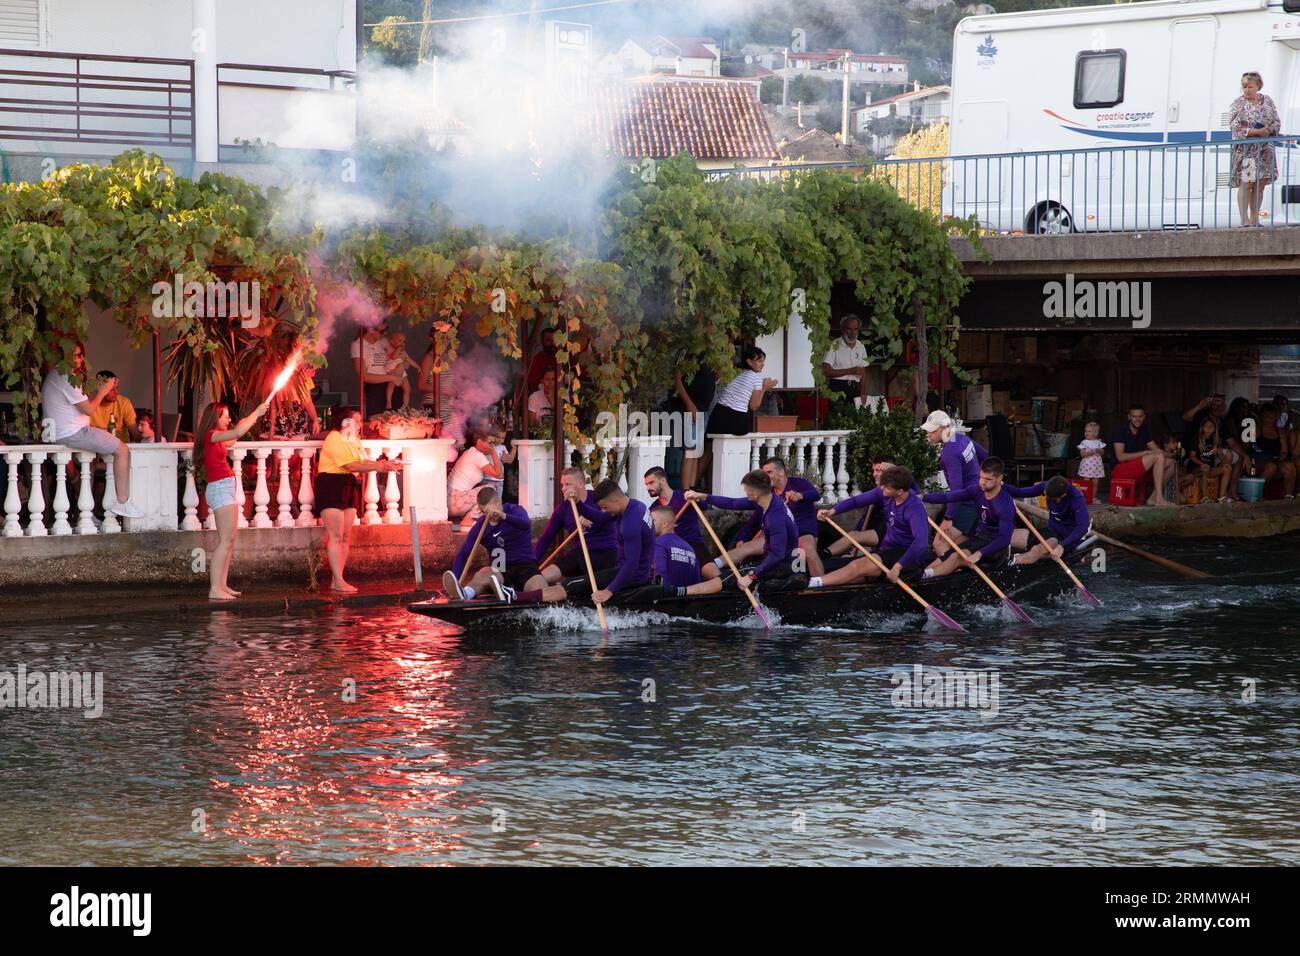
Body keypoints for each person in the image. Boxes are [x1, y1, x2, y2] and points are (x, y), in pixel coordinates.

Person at [506, 480, 656, 607]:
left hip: (632, 575)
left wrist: (608, 591)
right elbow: (599, 517)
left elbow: (632, 564)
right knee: (577, 582)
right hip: (630, 570)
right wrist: (578, 504)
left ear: (615, 501)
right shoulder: (635, 505)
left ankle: (515, 598)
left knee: (569, 584)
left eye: (605, 507)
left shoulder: (630, 523)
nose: (604, 511)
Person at [40, 345, 142, 519]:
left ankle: (87, 516)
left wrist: (98, 390)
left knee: (91, 466)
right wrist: (103, 390)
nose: (80, 359)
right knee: (122, 450)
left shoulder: (57, 376)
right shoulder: (66, 377)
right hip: (73, 433)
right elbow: (88, 410)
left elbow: (81, 405)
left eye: (81, 355)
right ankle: (123, 502)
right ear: (65, 357)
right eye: (77, 355)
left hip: (63, 433)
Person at [314, 406, 402, 593]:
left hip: (349, 483)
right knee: (336, 535)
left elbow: (361, 462)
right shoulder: (334, 438)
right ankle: (337, 580)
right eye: (357, 420)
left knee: (345, 536)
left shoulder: (353, 440)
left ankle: (338, 579)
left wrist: (384, 464)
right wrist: (379, 467)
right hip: (331, 483)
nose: (360, 424)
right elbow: (351, 464)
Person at [193, 398, 270, 600]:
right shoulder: (211, 435)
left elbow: (234, 436)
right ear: (215, 418)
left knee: (229, 540)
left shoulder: (218, 437)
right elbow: (236, 433)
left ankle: (222, 585)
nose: (228, 420)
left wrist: (247, 420)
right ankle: (215, 589)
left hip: (224, 488)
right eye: (225, 417)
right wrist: (256, 412)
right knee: (225, 541)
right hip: (219, 489)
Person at [685, 469, 803, 592]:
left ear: (755, 493)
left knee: (726, 578)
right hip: (778, 560)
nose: (745, 493)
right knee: (734, 571)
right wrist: (703, 496)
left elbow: (777, 554)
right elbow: (732, 503)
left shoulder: (775, 517)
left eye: (746, 490)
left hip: (783, 565)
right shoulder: (768, 499)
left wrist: (751, 576)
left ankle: (684, 592)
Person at [810, 465, 929, 587]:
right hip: (887, 549)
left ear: (899, 491)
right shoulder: (885, 493)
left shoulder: (914, 508)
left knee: (857, 566)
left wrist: (898, 566)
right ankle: (817, 585)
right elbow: (855, 501)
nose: (881, 489)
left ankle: (811, 584)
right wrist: (832, 512)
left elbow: (921, 542)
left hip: (906, 556)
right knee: (853, 577)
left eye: (886, 488)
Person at [922, 456, 1017, 578]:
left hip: (996, 548)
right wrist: (923, 497)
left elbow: (1004, 540)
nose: (982, 482)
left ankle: (926, 576)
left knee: (957, 556)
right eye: (981, 477)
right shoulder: (977, 490)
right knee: (944, 558)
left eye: (988, 479)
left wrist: (979, 554)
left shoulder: (1005, 505)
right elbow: (949, 497)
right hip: (978, 539)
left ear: (999, 479)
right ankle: (923, 576)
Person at [525, 466, 618, 590]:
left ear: (580, 484)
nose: (563, 489)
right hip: (580, 555)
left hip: (605, 554)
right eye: (562, 485)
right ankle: (528, 586)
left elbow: (608, 518)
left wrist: (594, 520)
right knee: (551, 571)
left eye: (567, 484)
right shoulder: (562, 509)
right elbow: (545, 539)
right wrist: (531, 565)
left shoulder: (599, 500)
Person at [442, 487, 538, 601]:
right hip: (500, 570)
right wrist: (456, 581)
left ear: (500, 501)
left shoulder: (515, 510)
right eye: (485, 512)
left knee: (539, 587)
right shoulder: (480, 526)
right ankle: (465, 593)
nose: (490, 515)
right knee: (483, 573)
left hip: (525, 566)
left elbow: (525, 524)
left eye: (493, 509)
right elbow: (462, 555)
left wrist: (503, 516)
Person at [920, 409, 989, 550]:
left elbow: (956, 488)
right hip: (978, 496)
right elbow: (986, 456)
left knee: (939, 544)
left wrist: (948, 518)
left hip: (967, 500)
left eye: (932, 431)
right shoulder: (962, 438)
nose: (928, 434)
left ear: (944, 428)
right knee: (960, 545)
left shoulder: (949, 452)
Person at [1229, 71, 1280, 227]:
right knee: (1247, 183)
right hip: (1247, 152)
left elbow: (1276, 121)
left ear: (1258, 86)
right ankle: (1244, 220)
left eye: (1250, 86)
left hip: (1265, 150)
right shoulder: (1238, 104)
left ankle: (1254, 218)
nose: (1247, 90)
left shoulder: (1268, 101)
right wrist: (1255, 132)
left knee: (1260, 184)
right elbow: (1234, 128)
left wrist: (1269, 130)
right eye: (1244, 87)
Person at [1005, 475, 1091, 566]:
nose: (1046, 499)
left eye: (1050, 498)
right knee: (1008, 535)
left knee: (1036, 550)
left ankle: (1012, 561)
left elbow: (1083, 527)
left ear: (1063, 495)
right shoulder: (1047, 486)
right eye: (1045, 495)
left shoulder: (1076, 499)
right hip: (1049, 531)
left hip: (1064, 538)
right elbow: (1018, 492)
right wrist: (1000, 485)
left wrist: (1062, 546)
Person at [643, 465, 717, 571]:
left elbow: (705, 506)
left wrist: (697, 498)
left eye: (651, 483)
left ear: (663, 480)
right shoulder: (654, 509)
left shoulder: (685, 496)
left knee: (713, 574)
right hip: (671, 549)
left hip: (693, 544)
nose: (648, 488)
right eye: (646, 484)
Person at [759, 457, 823, 577]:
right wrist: (743, 537)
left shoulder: (799, 483)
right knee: (748, 548)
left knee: (806, 551)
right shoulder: (768, 495)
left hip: (803, 531)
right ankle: (720, 568)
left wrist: (800, 495)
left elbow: (815, 495)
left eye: (769, 473)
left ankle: (820, 585)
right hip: (781, 534)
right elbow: (755, 519)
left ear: (781, 472)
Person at [1110, 404, 1175, 507]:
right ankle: (1160, 499)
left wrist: (1173, 454)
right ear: (1129, 417)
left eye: (1140, 416)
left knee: (1171, 463)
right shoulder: (1121, 430)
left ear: (1144, 417)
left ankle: (1153, 498)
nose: (1137, 419)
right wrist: (1144, 453)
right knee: (1157, 456)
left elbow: (1157, 450)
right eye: (1134, 416)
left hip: (1137, 468)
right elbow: (1120, 457)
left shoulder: (1144, 430)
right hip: (1120, 470)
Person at [705, 345, 778, 438]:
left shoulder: (735, 372)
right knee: (735, 449)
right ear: (749, 362)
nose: (763, 364)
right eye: (759, 361)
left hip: (719, 411)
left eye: (763, 361)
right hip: (737, 415)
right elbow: (754, 406)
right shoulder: (756, 379)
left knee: (710, 447)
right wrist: (764, 387)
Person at [651, 506, 722, 597]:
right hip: (686, 601)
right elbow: (697, 581)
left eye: (653, 521)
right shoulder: (689, 548)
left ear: (664, 524)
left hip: (666, 600)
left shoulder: (659, 544)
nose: (650, 525)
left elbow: (660, 576)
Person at [668, 364, 718, 492]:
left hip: (703, 409)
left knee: (696, 453)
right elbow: (677, 380)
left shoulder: (709, 359)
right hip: (691, 409)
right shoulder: (693, 357)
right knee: (690, 452)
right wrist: (690, 405)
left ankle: (692, 489)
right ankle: (685, 492)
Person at [448, 430, 505, 531]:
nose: (492, 446)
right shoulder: (476, 455)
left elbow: (499, 472)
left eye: (493, 444)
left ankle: (467, 520)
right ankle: (467, 521)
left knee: (487, 490)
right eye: (490, 443)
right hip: (454, 501)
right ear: (479, 442)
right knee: (490, 489)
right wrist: (493, 452)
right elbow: (498, 474)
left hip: (452, 501)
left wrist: (492, 451)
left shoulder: (472, 452)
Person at [820, 314, 876, 404]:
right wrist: (850, 371)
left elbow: (863, 373)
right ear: (843, 329)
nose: (852, 333)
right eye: (849, 329)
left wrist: (863, 393)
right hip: (837, 388)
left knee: (855, 417)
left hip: (855, 388)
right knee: (837, 417)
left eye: (855, 329)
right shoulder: (834, 345)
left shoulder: (861, 346)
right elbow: (825, 371)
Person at [1249, 405, 1296, 498]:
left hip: (1275, 460)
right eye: (1266, 416)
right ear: (1261, 416)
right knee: (1271, 467)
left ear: (1275, 417)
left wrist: (1279, 457)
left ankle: (1288, 496)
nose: (1268, 419)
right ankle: (1255, 494)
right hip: (1257, 462)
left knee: (1289, 466)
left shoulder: (1280, 431)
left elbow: (1284, 451)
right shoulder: (1256, 429)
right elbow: (1250, 449)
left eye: (1271, 417)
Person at [350, 320, 394, 416]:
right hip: (375, 387)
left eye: (387, 329)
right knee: (378, 421)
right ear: (371, 330)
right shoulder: (358, 345)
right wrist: (391, 377)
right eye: (382, 331)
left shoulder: (383, 341)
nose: (385, 333)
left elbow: (397, 359)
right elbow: (363, 376)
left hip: (392, 385)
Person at [1187, 415, 1233, 502]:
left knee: (1227, 468)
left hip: (1210, 468)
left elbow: (1224, 462)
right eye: (1206, 427)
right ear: (1202, 427)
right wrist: (1202, 464)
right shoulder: (1196, 439)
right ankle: (1204, 498)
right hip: (1196, 468)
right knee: (1205, 468)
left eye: (1211, 427)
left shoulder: (1214, 440)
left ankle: (1222, 497)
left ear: (1214, 429)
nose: (1208, 430)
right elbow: (1192, 456)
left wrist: (1219, 453)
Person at [87, 371, 140, 442]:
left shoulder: (124, 402)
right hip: (95, 449)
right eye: (111, 389)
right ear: (100, 388)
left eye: (117, 388)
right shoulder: (88, 403)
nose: (116, 392)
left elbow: (136, 434)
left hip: (120, 448)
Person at [381, 331, 421, 410]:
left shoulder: (404, 352)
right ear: (392, 341)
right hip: (392, 369)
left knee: (408, 388)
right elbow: (394, 357)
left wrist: (418, 367)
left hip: (401, 371)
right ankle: (388, 401)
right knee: (391, 384)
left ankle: (405, 406)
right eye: (399, 341)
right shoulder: (391, 349)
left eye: (404, 341)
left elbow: (410, 360)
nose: (402, 343)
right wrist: (399, 348)